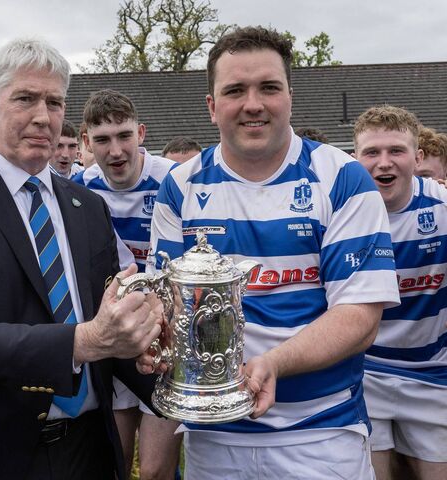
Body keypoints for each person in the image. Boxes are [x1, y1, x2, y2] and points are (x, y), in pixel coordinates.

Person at [145, 26, 400, 479]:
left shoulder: (342, 177)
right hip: (213, 436)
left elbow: (360, 317)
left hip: (321, 434)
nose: (253, 104)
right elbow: (163, 305)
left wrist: (272, 365)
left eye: (268, 87)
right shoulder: (179, 186)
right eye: (235, 90)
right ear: (211, 106)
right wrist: (149, 341)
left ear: (289, 97)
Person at [0, 38, 162, 480]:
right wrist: (87, 340)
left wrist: (168, 375)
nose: (43, 116)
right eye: (25, 98)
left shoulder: (87, 205)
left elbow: (107, 328)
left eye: (55, 102)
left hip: (89, 451)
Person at [74, 89, 178, 480]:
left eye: (124, 136)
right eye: (102, 140)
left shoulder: (173, 179)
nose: (115, 150)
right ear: (87, 142)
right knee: (113, 463)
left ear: (142, 133)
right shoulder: (80, 188)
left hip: (164, 338)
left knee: (154, 471)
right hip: (113, 340)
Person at [353, 105, 447, 480]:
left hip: (431, 372)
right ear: (354, 158)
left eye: (396, 151)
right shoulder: (342, 212)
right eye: (372, 153)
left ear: (418, 157)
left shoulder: (440, 208)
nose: (384, 163)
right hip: (365, 372)